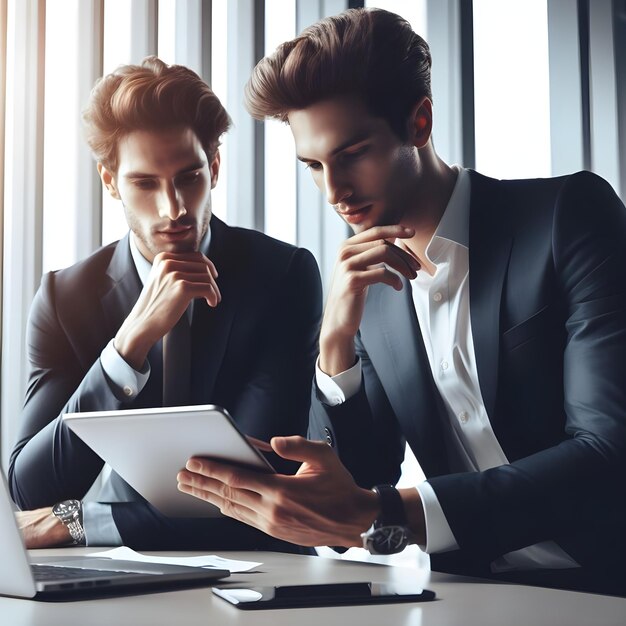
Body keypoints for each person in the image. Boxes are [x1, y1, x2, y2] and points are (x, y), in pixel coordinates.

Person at [177, 8, 626, 595]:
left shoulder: (568, 218)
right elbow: (353, 493)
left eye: (353, 153)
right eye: (313, 165)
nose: (334, 191)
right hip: (466, 594)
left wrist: (393, 515)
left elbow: (608, 454)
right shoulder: (371, 294)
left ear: (420, 122)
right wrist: (335, 345)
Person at [9, 57, 322, 552]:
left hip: (257, 571)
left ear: (214, 168)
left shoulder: (281, 277)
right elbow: (28, 489)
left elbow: (262, 494)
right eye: (145, 184)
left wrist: (82, 522)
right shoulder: (64, 298)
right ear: (110, 182)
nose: (173, 209)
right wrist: (127, 347)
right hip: (112, 578)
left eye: (189, 177)